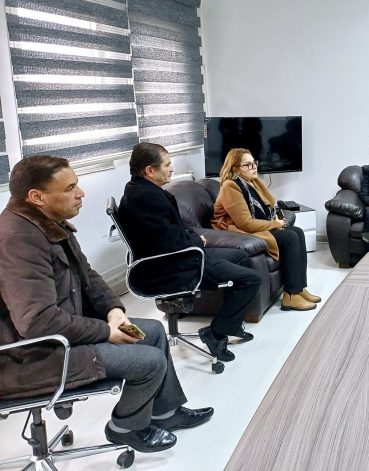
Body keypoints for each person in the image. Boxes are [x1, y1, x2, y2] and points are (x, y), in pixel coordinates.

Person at [0, 155, 213, 454]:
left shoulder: (48, 222)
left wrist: (114, 311)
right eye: (70, 188)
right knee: (149, 362)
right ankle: (125, 427)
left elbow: (87, 274)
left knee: (153, 331)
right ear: (37, 197)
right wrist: (106, 332)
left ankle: (165, 412)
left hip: (60, 336)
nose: (81, 193)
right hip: (32, 356)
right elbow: (37, 322)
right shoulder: (17, 240)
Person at [118, 143, 260, 363]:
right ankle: (215, 334)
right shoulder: (146, 199)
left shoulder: (140, 190)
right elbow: (171, 244)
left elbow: (171, 232)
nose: (172, 168)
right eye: (167, 164)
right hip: (174, 266)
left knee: (241, 256)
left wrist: (194, 238)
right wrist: (198, 241)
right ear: (150, 170)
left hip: (178, 257)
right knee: (251, 279)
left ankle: (230, 324)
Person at [211, 148, 320, 312]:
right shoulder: (230, 186)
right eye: (247, 165)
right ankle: (291, 296)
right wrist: (275, 224)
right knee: (290, 237)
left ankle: (299, 288)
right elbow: (246, 224)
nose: (254, 167)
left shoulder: (251, 182)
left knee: (297, 232)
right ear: (235, 169)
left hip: (250, 226)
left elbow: (267, 207)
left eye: (254, 163)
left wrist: (275, 220)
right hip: (237, 231)